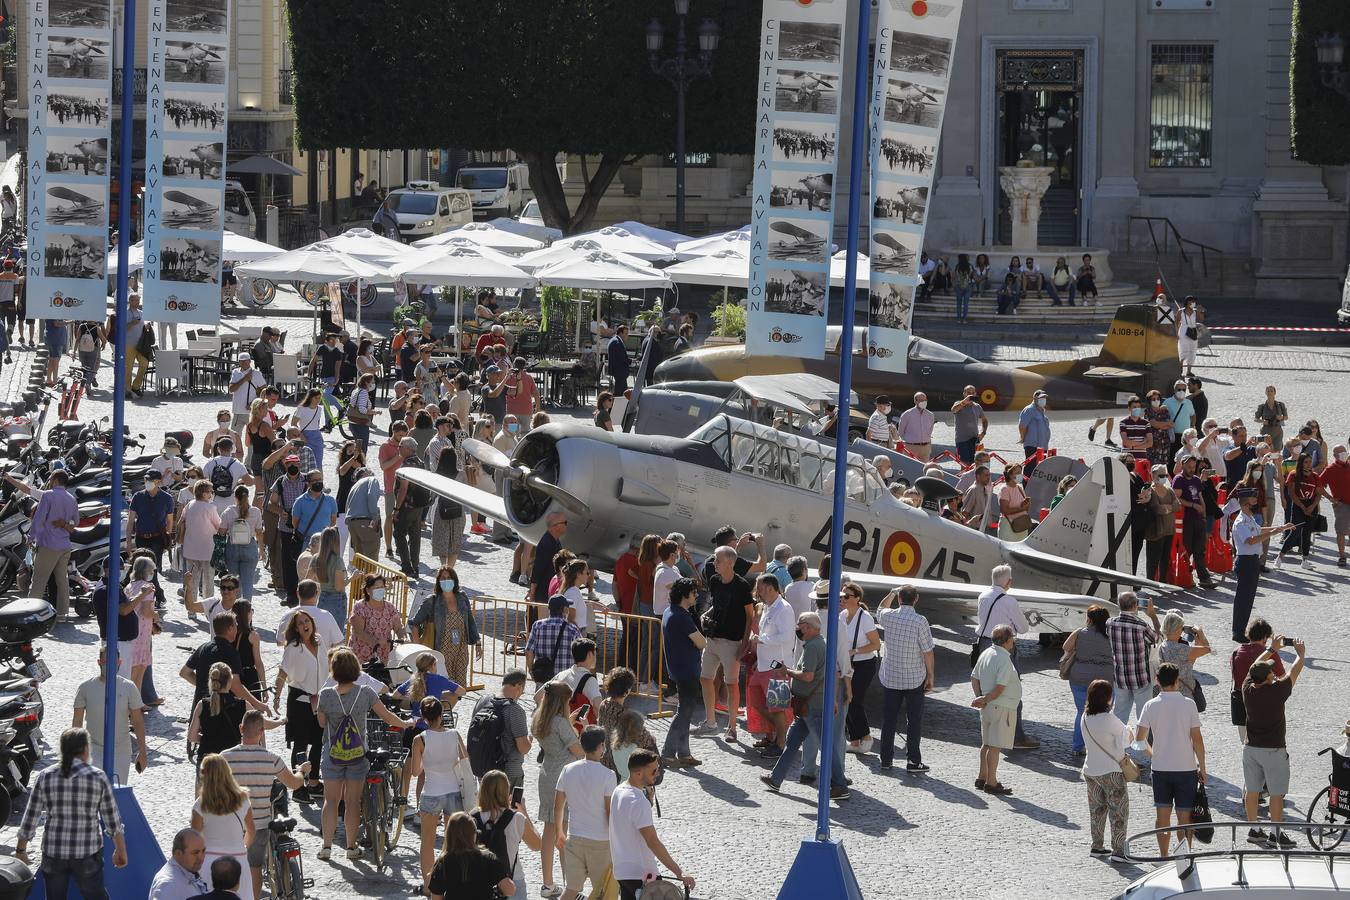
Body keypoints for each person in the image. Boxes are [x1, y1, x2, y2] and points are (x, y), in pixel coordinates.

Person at [316, 648, 411, 861]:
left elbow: (321, 723)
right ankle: (351, 847)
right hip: (358, 754)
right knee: (352, 802)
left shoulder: (326, 695)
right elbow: (387, 716)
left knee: (330, 801)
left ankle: (326, 847)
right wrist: (405, 723)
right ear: (356, 669)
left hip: (332, 753)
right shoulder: (366, 692)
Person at [14, 728, 127, 899]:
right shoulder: (98, 777)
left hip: (54, 852)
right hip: (87, 852)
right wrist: (120, 849)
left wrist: (21, 849)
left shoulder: (46, 776)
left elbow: (31, 816)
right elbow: (112, 819)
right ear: (85, 749)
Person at [760, 612, 850, 799]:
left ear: (808, 627)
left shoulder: (812, 647)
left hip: (812, 706)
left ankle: (840, 785)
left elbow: (808, 676)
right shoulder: (821, 643)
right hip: (810, 705)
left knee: (825, 747)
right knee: (793, 742)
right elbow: (834, 673)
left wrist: (787, 671)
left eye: (800, 625)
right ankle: (776, 778)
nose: (798, 628)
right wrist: (832, 699)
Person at [221, 710, 308, 900]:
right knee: (254, 868)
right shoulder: (271, 758)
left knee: (230, 870)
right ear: (262, 732)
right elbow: (293, 783)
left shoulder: (224, 758)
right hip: (259, 824)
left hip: (231, 826)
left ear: (241, 728)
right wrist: (302, 771)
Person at [1241, 635, 1306, 849]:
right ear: (1268, 677)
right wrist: (1300, 654)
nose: (1273, 671)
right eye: (1270, 670)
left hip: (1250, 749)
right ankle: (1275, 833)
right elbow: (1293, 672)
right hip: (1274, 750)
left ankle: (1254, 829)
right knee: (1277, 793)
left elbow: (1253, 667)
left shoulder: (1247, 688)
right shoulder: (1277, 691)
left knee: (1252, 791)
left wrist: (1271, 649)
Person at [1135, 662, 1206, 857]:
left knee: (1162, 817)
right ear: (1177, 680)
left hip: (1160, 769)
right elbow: (1198, 741)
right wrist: (1203, 768)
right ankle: (1184, 856)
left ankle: (1164, 855)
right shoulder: (1189, 705)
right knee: (1184, 817)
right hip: (1186, 768)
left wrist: (1153, 754)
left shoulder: (1150, 706)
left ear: (1157, 681)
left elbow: (1138, 741)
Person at [401, 695, 471, 894]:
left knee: (427, 841)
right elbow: (465, 760)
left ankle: (427, 885)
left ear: (423, 717)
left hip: (431, 792)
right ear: (442, 715)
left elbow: (415, 772)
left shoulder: (419, 739)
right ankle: (448, 881)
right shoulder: (455, 735)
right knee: (451, 842)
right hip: (453, 792)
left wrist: (427, 762)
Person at [610, 749, 695, 900]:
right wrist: (679, 872)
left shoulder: (619, 791)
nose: (657, 773)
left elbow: (629, 823)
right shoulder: (638, 801)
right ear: (638, 773)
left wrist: (648, 801)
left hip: (622, 872)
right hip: (643, 875)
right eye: (654, 770)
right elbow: (652, 841)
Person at [698, 545, 757, 741]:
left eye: (718, 560)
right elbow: (717, 603)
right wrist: (707, 615)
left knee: (731, 684)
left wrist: (745, 642)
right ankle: (710, 722)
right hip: (712, 638)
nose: (714, 563)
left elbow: (750, 615)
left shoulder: (741, 586)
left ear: (730, 563)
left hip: (732, 642)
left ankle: (732, 728)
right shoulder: (715, 580)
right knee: (705, 678)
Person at [974, 566, 1037, 748]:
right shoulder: (1009, 600)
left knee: (986, 687)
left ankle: (991, 729)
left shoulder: (982, 596)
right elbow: (1024, 628)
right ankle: (1015, 737)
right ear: (1008, 582)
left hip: (984, 645)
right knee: (1011, 690)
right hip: (1004, 647)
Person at [533, 681, 585, 896]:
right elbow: (579, 751)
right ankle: (570, 887)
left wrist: (569, 723)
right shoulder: (561, 724)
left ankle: (548, 883)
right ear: (563, 701)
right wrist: (579, 729)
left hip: (546, 775)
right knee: (563, 834)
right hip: (564, 778)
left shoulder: (539, 719)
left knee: (549, 832)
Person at [875, 585, 934, 772]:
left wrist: (891, 592)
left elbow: (880, 609)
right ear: (916, 599)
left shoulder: (889, 616)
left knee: (888, 719)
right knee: (914, 720)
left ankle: (886, 759)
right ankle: (913, 761)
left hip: (891, 676)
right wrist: (931, 675)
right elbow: (927, 652)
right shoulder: (920, 621)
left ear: (899, 599)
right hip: (914, 678)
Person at [555, 726, 616, 900]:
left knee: (571, 889)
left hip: (575, 837)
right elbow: (609, 811)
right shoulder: (608, 775)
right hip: (601, 841)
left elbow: (558, 806)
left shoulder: (568, 769)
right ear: (601, 746)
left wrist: (560, 832)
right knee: (604, 891)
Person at [72, 643, 147, 785]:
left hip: (121, 751)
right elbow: (77, 723)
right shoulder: (85, 687)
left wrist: (142, 752)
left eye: (113, 662)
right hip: (92, 750)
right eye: (106, 662)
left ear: (119, 663)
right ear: (99, 662)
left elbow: (137, 721)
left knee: (116, 795)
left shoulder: (129, 687)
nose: (110, 665)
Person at [272, 609, 325, 802]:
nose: (305, 624)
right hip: (300, 700)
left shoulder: (319, 641)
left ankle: (313, 782)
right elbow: (283, 672)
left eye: (307, 620)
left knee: (319, 741)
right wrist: (276, 697)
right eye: (300, 622)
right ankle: (298, 787)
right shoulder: (294, 647)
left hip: (319, 700)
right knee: (301, 743)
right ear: (295, 628)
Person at [1230, 491, 1298, 641]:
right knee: (1243, 599)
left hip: (1253, 561)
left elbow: (1259, 530)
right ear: (1247, 502)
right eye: (1254, 499)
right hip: (1246, 562)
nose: (1256, 501)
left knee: (1249, 598)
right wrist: (1272, 533)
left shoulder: (1249, 519)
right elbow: (1250, 540)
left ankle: (1241, 630)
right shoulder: (1240, 521)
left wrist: (1280, 527)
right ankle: (1237, 632)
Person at [191, 754, 255, 900]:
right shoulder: (243, 799)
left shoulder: (200, 804)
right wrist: (243, 847)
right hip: (238, 861)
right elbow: (251, 830)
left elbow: (194, 839)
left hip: (209, 864)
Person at [1080, 680, 1131, 863]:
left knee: (1097, 810)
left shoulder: (1085, 717)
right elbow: (1126, 738)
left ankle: (1097, 846)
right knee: (1118, 812)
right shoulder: (1109, 719)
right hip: (1111, 772)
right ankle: (1118, 851)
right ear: (1108, 698)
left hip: (1091, 770)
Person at [473, 769, 542, 899]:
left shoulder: (472, 817)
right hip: (512, 880)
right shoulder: (516, 818)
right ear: (506, 791)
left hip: (479, 881)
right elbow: (537, 845)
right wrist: (524, 812)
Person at [970, 625, 1021, 795]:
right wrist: (983, 699)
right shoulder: (1004, 659)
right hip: (1001, 706)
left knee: (987, 743)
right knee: (994, 747)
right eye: (1012, 638)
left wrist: (981, 698)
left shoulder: (986, 653)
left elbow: (974, 677)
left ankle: (982, 777)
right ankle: (991, 782)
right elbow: (1000, 687)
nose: (1013, 641)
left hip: (989, 706)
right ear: (1007, 641)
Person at [410, 566, 481, 686]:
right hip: (441, 650)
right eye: (443, 578)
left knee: (459, 686)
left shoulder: (462, 597)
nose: (446, 580)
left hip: (461, 649)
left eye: (449, 578)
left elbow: (470, 620)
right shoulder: (432, 601)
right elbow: (414, 623)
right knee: (444, 685)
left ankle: (452, 704)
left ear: (455, 580)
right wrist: (419, 647)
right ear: (438, 581)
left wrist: (478, 643)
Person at [660, 578, 705, 766]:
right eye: (694, 592)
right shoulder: (682, 616)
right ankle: (668, 752)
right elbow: (702, 642)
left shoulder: (669, 611)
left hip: (678, 668)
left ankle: (684, 753)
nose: (697, 595)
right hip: (687, 670)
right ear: (684, 595)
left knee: (684, 711)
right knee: (684, 713)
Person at [1061, 606, 1115, 756]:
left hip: (1080, 676)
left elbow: (1066, 647)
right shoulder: (1112, 635)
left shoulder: (1080, 633)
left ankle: (1078, 746)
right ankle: (1100, 746)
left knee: (1081, 711)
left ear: (1089, 619)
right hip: (1105, 678)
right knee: (1103, 712)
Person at [427, 811, 515, 900]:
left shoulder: (443, 863)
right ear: (474, 834)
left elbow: (436, 898)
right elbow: (510, 890)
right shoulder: (488, 858)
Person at [29, 469, 78, 617]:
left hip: (49, 545)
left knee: (38, 580)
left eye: (50, 478)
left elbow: (38, 519)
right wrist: (64, 524)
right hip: (65, 546)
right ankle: (63, 614)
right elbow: (75, 522)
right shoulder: (71, 498)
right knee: (62, 581)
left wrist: (30, 538)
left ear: (55, 479)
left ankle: (30, 613)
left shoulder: (47, 496)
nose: (49, 481)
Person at [840, 581, 881, 755]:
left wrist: (854, 650)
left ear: (857, 599)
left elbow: (876, 644)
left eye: (846, 596)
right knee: (845, 699)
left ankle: (866, 737)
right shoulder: (842, 615)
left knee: (855, 701)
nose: (842, 598)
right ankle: (855, 740)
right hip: (848, 663)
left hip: (864, 664)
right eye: (842, 595)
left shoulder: (864, 618)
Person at [179, 479, 223, 616]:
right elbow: (218, 526)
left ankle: (191, 610)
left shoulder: (190, 505)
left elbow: (182, 521)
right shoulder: (210, 508)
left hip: (191, 549)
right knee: (208, 581)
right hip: (207, 550)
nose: (211, 494)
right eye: (210, 492)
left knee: (192, 580)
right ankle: (208, 610)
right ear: (204, 493)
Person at [1173, 455, 1217, 588]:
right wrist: (1192, 505)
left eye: (1193, 466)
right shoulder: (1179, 479)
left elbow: (1200, 497)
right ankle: (1184, 576)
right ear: (1183, 465)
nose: (1191, 469)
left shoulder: (1197, 480)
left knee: (1200, 549)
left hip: (1198, 519)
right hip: (1186, 520)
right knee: (1187, 549)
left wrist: (1203, 512)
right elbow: (1176, 499)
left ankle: (1204, 578)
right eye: (1189, 466)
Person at [189, 662, 247, 761]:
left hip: (207, 759)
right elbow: (260, 725)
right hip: (232, 759)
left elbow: (192, 736)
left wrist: (206, 740)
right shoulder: (242, 705)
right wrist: (280, 721)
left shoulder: (202, 704)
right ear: (229, 681)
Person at [348, 573, 407, 669]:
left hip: (383, 656)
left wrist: (403, 638)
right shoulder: (360, 607)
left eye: (382, 587)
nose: (380, 590)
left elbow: (398, 627)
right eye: (376, 588)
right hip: (361, 656)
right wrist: (376, 642)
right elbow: (358, 632)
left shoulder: (389, 607)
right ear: (367, 590)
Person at [218, 485, 262, 601]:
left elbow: (221, 532)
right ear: (248, 496)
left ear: (235, 497)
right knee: (248, 583)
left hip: (232, 547)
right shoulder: (256, 511)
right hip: (250, 547)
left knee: (234, 582)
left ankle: (235, 608)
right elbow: (259, 532)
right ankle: (246, 611)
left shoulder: (228, 511)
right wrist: (261, 550)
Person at [525, 596, 581, 686]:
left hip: (543, 677)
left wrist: (531, 670)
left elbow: (529, 651)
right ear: (565, 609)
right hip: (565, 680)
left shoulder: (537, 625)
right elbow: (580, 653)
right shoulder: (572, 629)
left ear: (549, 609)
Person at [1278, 452, 1320, 568]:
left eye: (1310, 462)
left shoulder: (1315, 476)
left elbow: (1318, 494)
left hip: (1311, 506)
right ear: (1301, 463)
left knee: (1307, 534)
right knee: (1294, 532)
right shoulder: (1294, 474)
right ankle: (1280, 557)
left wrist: (1312, 506)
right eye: (1306, 462)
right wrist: (1302, 506)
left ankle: (1305, 560)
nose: (1308, 464)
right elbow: (1292, 493)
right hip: (1298, 505)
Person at [149, 828, 210, 900]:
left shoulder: (188, 871)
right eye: (195, 853)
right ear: (178, 854)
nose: (201, 857)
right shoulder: (168, 885)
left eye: (203, 851)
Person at [1144, 464, 1178, 583]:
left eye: (1165, 475)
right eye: (1161, 475)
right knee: (1153, 559)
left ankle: (1162, 580)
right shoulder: (1151, 491)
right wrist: (1170, 508)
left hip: (1169, 530)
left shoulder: (1169, 490)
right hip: (1156, 531)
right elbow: (1157, 509)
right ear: (1153, 476)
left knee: (1165, 558)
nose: (1164, 477)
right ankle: (1150, 581)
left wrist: (1166, 508)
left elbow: (1177, 506)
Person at [344, 466, 384, 562]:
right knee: (371, 559)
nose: (372, 472)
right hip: (366, 522)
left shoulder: (354, 486)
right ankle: (370, 577)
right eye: (369, 470)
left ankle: (361, 577)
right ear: (364, 474)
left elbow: (347, 507)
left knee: (360, 560)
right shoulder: (371, 479)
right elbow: (371, 495)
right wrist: (375, 517)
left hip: (352, 524)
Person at [950, 385, 988, 464]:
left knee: (976, 464)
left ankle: (972, 476)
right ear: (964, 393)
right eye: (968, 393)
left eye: (972, 393)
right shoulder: (959, 404)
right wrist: (964, 402)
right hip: (962, 440)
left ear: (975, 394)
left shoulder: (977, 406)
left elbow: (984, 420)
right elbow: (953, 410)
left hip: (975, 439)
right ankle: (963, 477)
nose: (970, 395)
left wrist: (983, 432)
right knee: (965, 465)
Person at [1018, 390, 1051, 474]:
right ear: (1035, 398)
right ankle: (1026, 485)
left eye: (1044, 398)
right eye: (1041, 398)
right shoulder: (1029, 410)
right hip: (1032, 445)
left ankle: (1037, 486)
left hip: (1043, 446)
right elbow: (1022, 426)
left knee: (1041, 469)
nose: (1043, 399)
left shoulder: (1042, 412)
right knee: (1030, 467)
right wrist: (1022, 438)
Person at [896, 392, 935, 461]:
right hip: (911, 447)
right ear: (915, 401)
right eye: (921, 400)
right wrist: (909, 441)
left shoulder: (930, 415)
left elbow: (930, 430)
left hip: (926, 447)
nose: (924, 402)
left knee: (924, 470)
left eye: (925, 400)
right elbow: (901, 432)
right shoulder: (907, 414)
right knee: (909, 468)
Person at [997, 464, 1031, 540]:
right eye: (1018, 472)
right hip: (1009, 528)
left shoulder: (1019, 488)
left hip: (1022, 527)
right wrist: (1022, 508)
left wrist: (1026, 504)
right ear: (1010, 475)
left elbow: (1025, 508)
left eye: (1020, 472)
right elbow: (1004, 510)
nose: (1020, 475)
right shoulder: (1004, 489)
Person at [1254, 385, 1287, 451]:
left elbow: (1286, 417)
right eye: (1268, 391)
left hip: (1277, 430)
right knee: (1264, 450)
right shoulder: (1262, 406)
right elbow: (1256, 419)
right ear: (1265, 393)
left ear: (1275, 393)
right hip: (1265, 430)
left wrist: (1281, 418)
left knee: (1276, 451)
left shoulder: (1280, 405)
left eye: (1271, 391)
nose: (1270, 393)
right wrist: (1263, 421)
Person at [607, 325, 631, 393]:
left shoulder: (615, 340)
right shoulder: (617, 342)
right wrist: (631, 361)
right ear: (620, 333)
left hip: (619, 372)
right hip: (619, 372)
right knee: (620, 393)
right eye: (626, 333)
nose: (627, 335)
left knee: (622, 393)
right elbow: (622, 358)